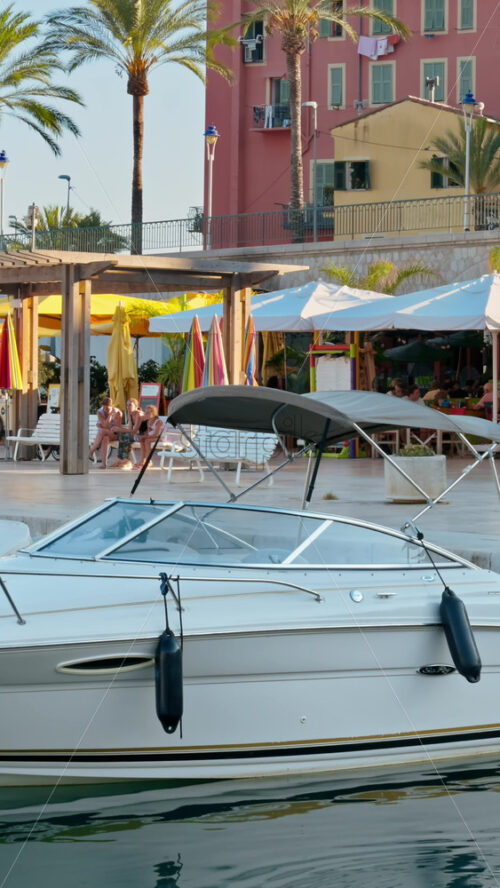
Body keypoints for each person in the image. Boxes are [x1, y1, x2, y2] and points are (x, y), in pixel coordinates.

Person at [89, 397, 122, 469]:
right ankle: (104, 464)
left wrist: (110, 416)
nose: (105, 410)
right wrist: (105, 426)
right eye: (104, 408)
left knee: (102, 431)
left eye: (107, 408)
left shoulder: (117, 413)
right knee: (105, 439)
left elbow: (117, 428)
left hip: (115, 434)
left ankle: (91, 451)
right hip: (105, 435)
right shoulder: (99, 412)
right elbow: (104, 425)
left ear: (112, 406)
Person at [117, 398, 144, 469]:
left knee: (125, 437)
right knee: (124, 436)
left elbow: (134, 431)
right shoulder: (130, 414)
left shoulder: (139, 414)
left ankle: (126, 461)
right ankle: (124, 460)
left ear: (136, 406)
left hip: (145, 436)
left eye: (130, 405)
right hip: (138, 435)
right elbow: (130, 429)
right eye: (127, 405)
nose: (128, 407)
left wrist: (120, 429)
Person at [135, 405, 165, 469]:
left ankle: (149, 461)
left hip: (161, 437)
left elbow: (156, 434)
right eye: (146, 413)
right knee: (142, 440)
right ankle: (143, 460)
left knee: (147, 441)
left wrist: (145, 437)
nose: (146, 414)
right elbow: (148, 433)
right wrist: (142, 436)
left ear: (153, 413)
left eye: (148, 413)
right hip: (154, 437)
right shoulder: (148, 421)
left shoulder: (158, 422)